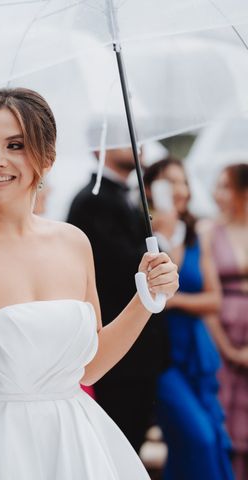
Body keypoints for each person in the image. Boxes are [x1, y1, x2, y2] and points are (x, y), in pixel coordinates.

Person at [0, 88, 179, 479]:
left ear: (47, 158)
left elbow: (87, 369)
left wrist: (146, 298)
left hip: (72, 444)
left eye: (16, 145)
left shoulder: (73, 242)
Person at [67, 147, 170, 452]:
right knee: (119, 445)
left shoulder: (126, 195)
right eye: (124, 139)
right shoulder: (92, 200)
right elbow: (120, 268)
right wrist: (160, 238)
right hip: (117, 355)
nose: (137, 147)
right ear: (99, 146)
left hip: (141, 352)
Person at [144, 158, 232, 480]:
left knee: (209, 437)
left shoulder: (197, 234)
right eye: (168, 181)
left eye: (182, 181)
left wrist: (175, 301)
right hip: (162, 358)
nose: (178, 189)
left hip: (197, 353)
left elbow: (213, 299)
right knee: (198, 437)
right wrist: (164, 235)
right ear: (151, 188)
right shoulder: (143, 236)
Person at [207, 162, 248, 479]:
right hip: (221, 333)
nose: (217, 193)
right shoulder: (208, 231)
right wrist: (229, 349)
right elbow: (208, 296)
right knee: (221, 418)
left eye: (225, 186)